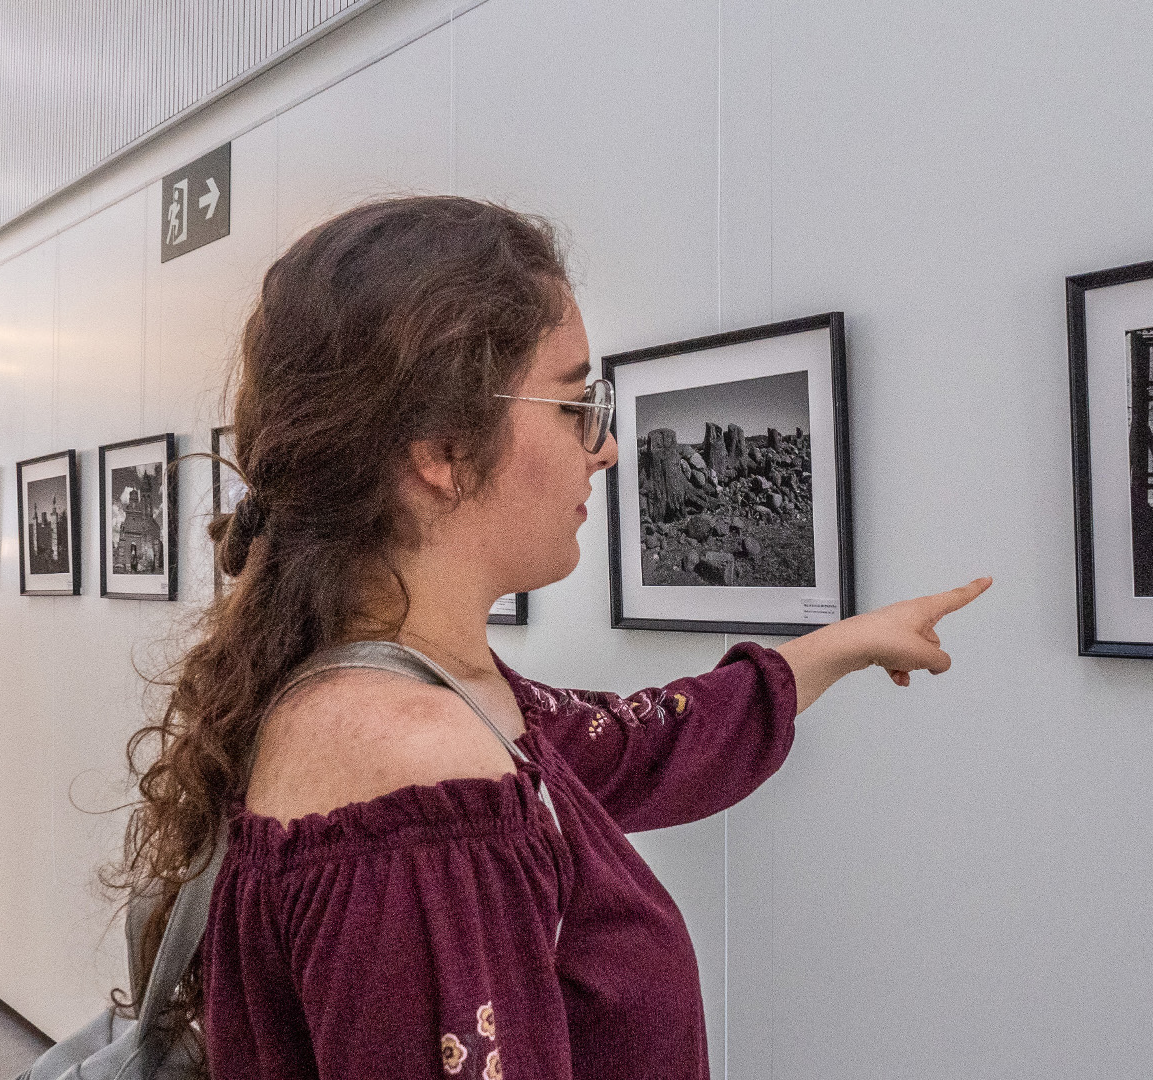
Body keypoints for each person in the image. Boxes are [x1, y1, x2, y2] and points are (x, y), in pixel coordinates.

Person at [111, 195, 990, 1080]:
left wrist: (839, 645)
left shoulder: (428, 697)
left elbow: (644, 740)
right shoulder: (419, 778)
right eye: (577, 404)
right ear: (444, 451)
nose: (604, 449)